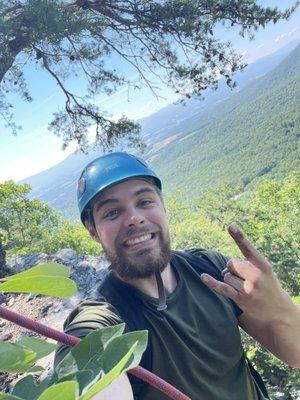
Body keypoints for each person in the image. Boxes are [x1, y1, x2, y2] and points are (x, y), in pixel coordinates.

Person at [54, 152, 300, 400]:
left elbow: (297, 354)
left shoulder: (211, 270)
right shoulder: (102, 321)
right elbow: (84, 371)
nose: (134, 218)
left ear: (162, 206)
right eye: (112, 213)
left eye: (145, 202)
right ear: (93, 231)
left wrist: (278, 303)